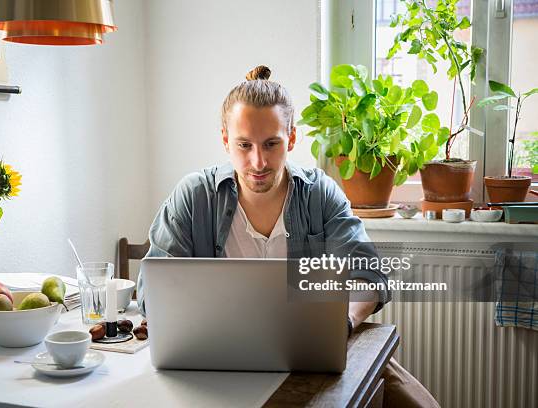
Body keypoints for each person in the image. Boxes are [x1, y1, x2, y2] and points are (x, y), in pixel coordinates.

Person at [136, 65, 439, 408]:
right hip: (217, 362)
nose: (258, 161)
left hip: (308, 358)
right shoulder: (194, 196)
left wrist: (344, 321)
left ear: (291, 138)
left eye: (271, 143)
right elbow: (151, 290)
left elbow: (368, 276)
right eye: (243, 145)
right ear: (225, 141)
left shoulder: (319, 194)